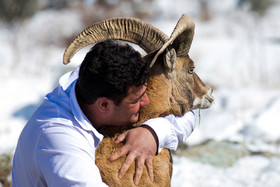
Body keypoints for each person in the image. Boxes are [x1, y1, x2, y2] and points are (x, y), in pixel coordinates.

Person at [12, 40, 196, 186]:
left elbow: (189, 112)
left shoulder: (100, 78)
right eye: (136, 100)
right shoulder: (58, 138)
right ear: (104, 105)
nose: (146, 102)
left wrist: (154, 132)